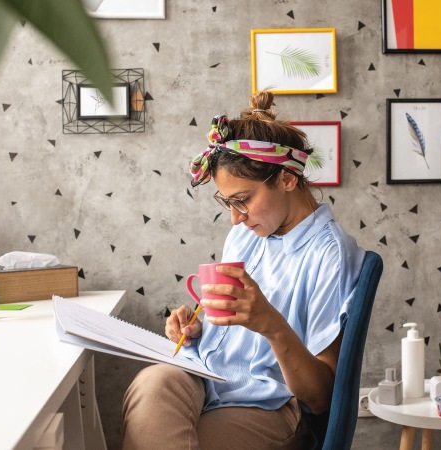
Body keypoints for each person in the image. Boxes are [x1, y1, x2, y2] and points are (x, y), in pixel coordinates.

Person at [122, 91, 365, 450]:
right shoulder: (245, 234)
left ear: (286, 179)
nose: (235, 218)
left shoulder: (330, 254)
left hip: (267, 402)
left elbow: (321, 397)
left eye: (243, 200)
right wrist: (196, 327)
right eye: (227, 203)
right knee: (151, 384)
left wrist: (270, 323)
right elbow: (234, 332)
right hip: (205, 377)